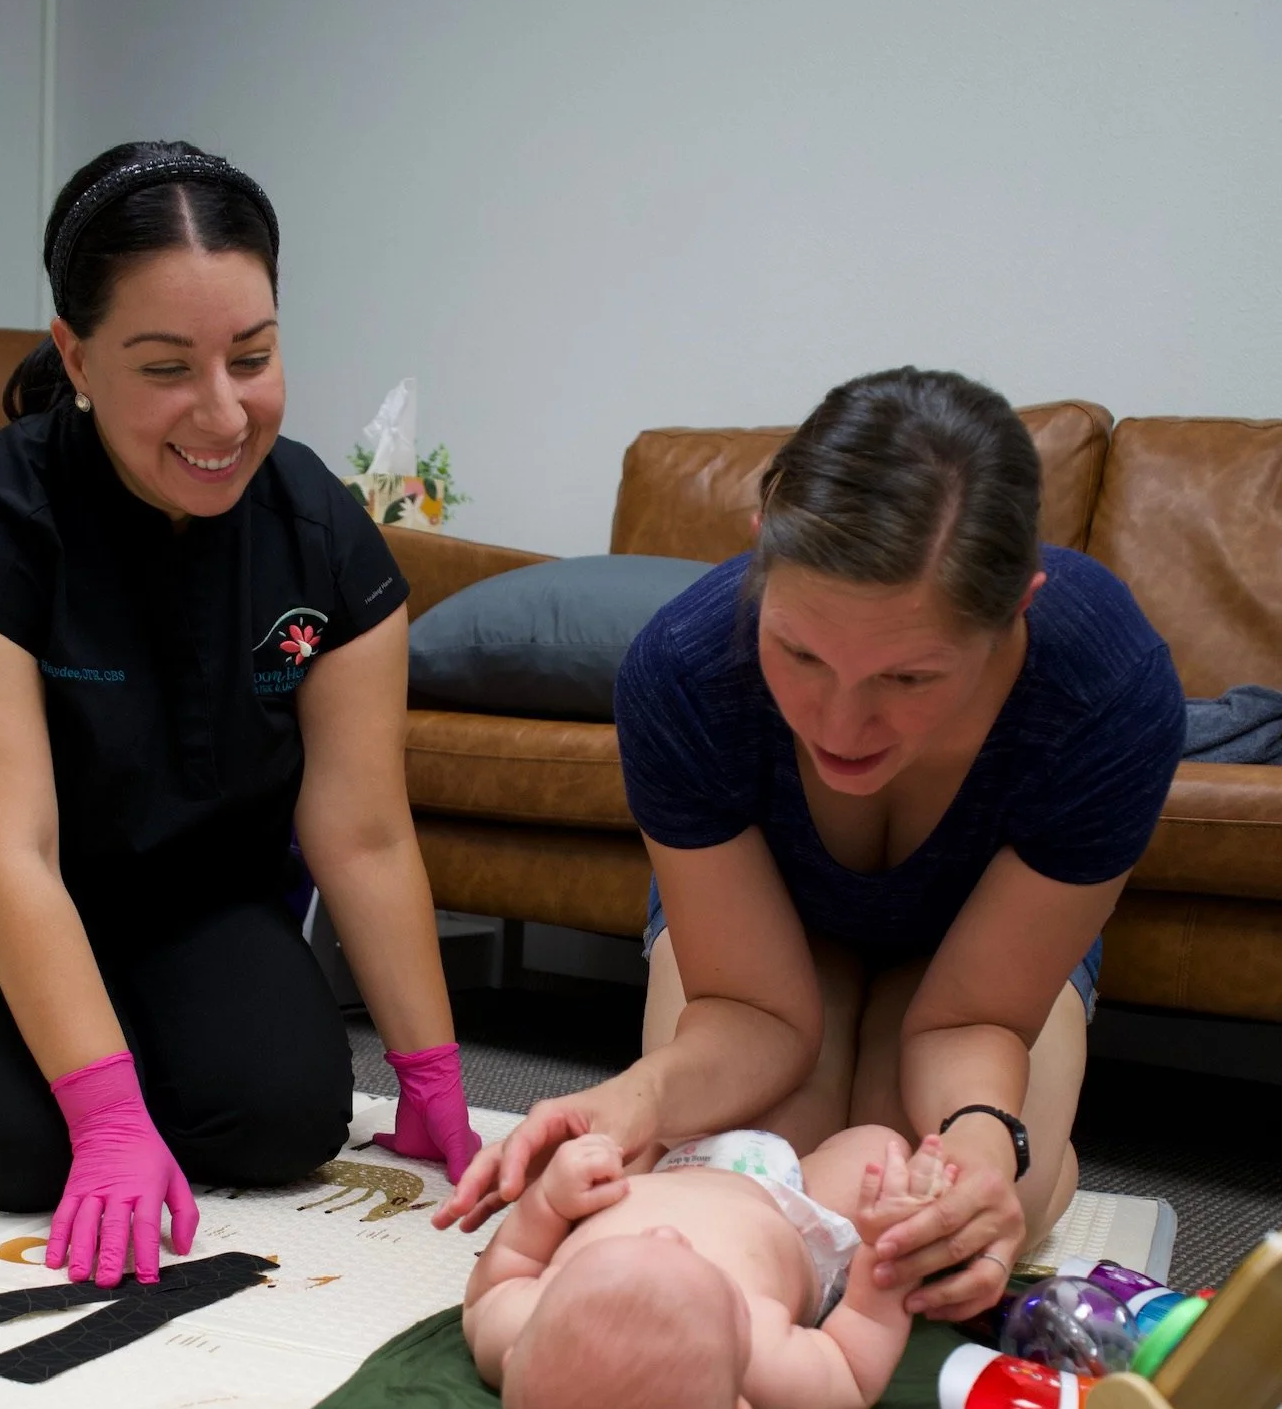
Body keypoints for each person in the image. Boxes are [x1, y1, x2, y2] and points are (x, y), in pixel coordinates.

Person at [0, 141, 477, 1287]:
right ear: (75, 355)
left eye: (254, 357)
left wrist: (431, 1078)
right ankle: (49, 1053)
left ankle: (112, 1036)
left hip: (177, 894)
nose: (222, 413)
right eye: (166, 366)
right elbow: (9, 852)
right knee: (17, 1151)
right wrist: (108, 1116)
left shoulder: (322, 534)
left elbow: (363, 831)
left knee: (281, 1121)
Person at [438, 368, 1186, 1321]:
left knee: (928, 1217)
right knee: (744, 1178)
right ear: (760, 557)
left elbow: (972, 1022)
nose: (841, 722)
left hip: (978, 978)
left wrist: (992, 1149)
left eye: (910, 677)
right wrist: (641, 1096)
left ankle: (1045, 1173)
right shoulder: (685, 670)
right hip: (761, 964)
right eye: (799, 653)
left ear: (1019, 606)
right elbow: (751, 1010)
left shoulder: (1108, 692)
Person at [463, 1126, 950, 1409]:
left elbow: (511, 1260)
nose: (666, 1234)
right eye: (696, 1262)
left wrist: (548, 1201)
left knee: (622, 1130)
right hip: (787, 1204)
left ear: (515, 1360)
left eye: (639, 1242)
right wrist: (886, 1251)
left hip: (651, 1169)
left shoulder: (518, 1323)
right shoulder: (766, 1366)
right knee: (875, 1143)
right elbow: (855, 1361)